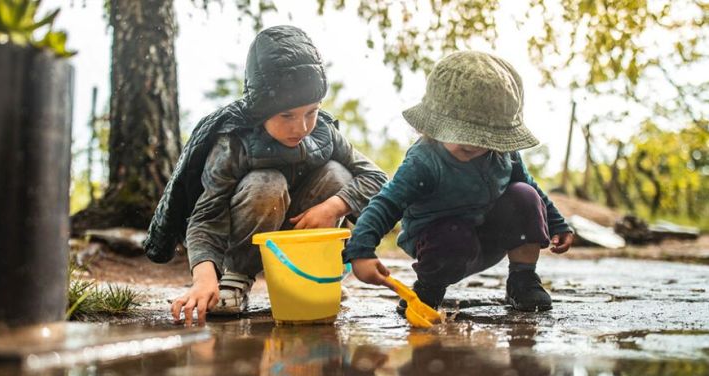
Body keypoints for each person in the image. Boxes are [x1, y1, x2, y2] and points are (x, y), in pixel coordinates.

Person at [143, 26, 387, 325]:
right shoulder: (234, 141)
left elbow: (376, 178)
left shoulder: (323, 133)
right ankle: (236, 278)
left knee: (337, 174)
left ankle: (310, 273)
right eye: (287, 116)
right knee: (267, 184)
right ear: (261, 110)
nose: (301, 127)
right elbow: (206, 216)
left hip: (298, 229)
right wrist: (204, 278)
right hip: (247, 229)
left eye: (311, 112)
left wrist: (334, 206)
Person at [343, 51, 574, 314]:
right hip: (441, 245)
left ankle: (522, 280)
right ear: (432, 127)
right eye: (465, 144)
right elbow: (385, 203)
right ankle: (428, 289)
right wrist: (361, 250)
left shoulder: (504, 154)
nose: (476, 146)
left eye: (485, 142)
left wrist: (557, 223)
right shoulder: (424, 161)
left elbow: (532, 188)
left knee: (524, 194)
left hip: (488, 236)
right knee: (453, 236)